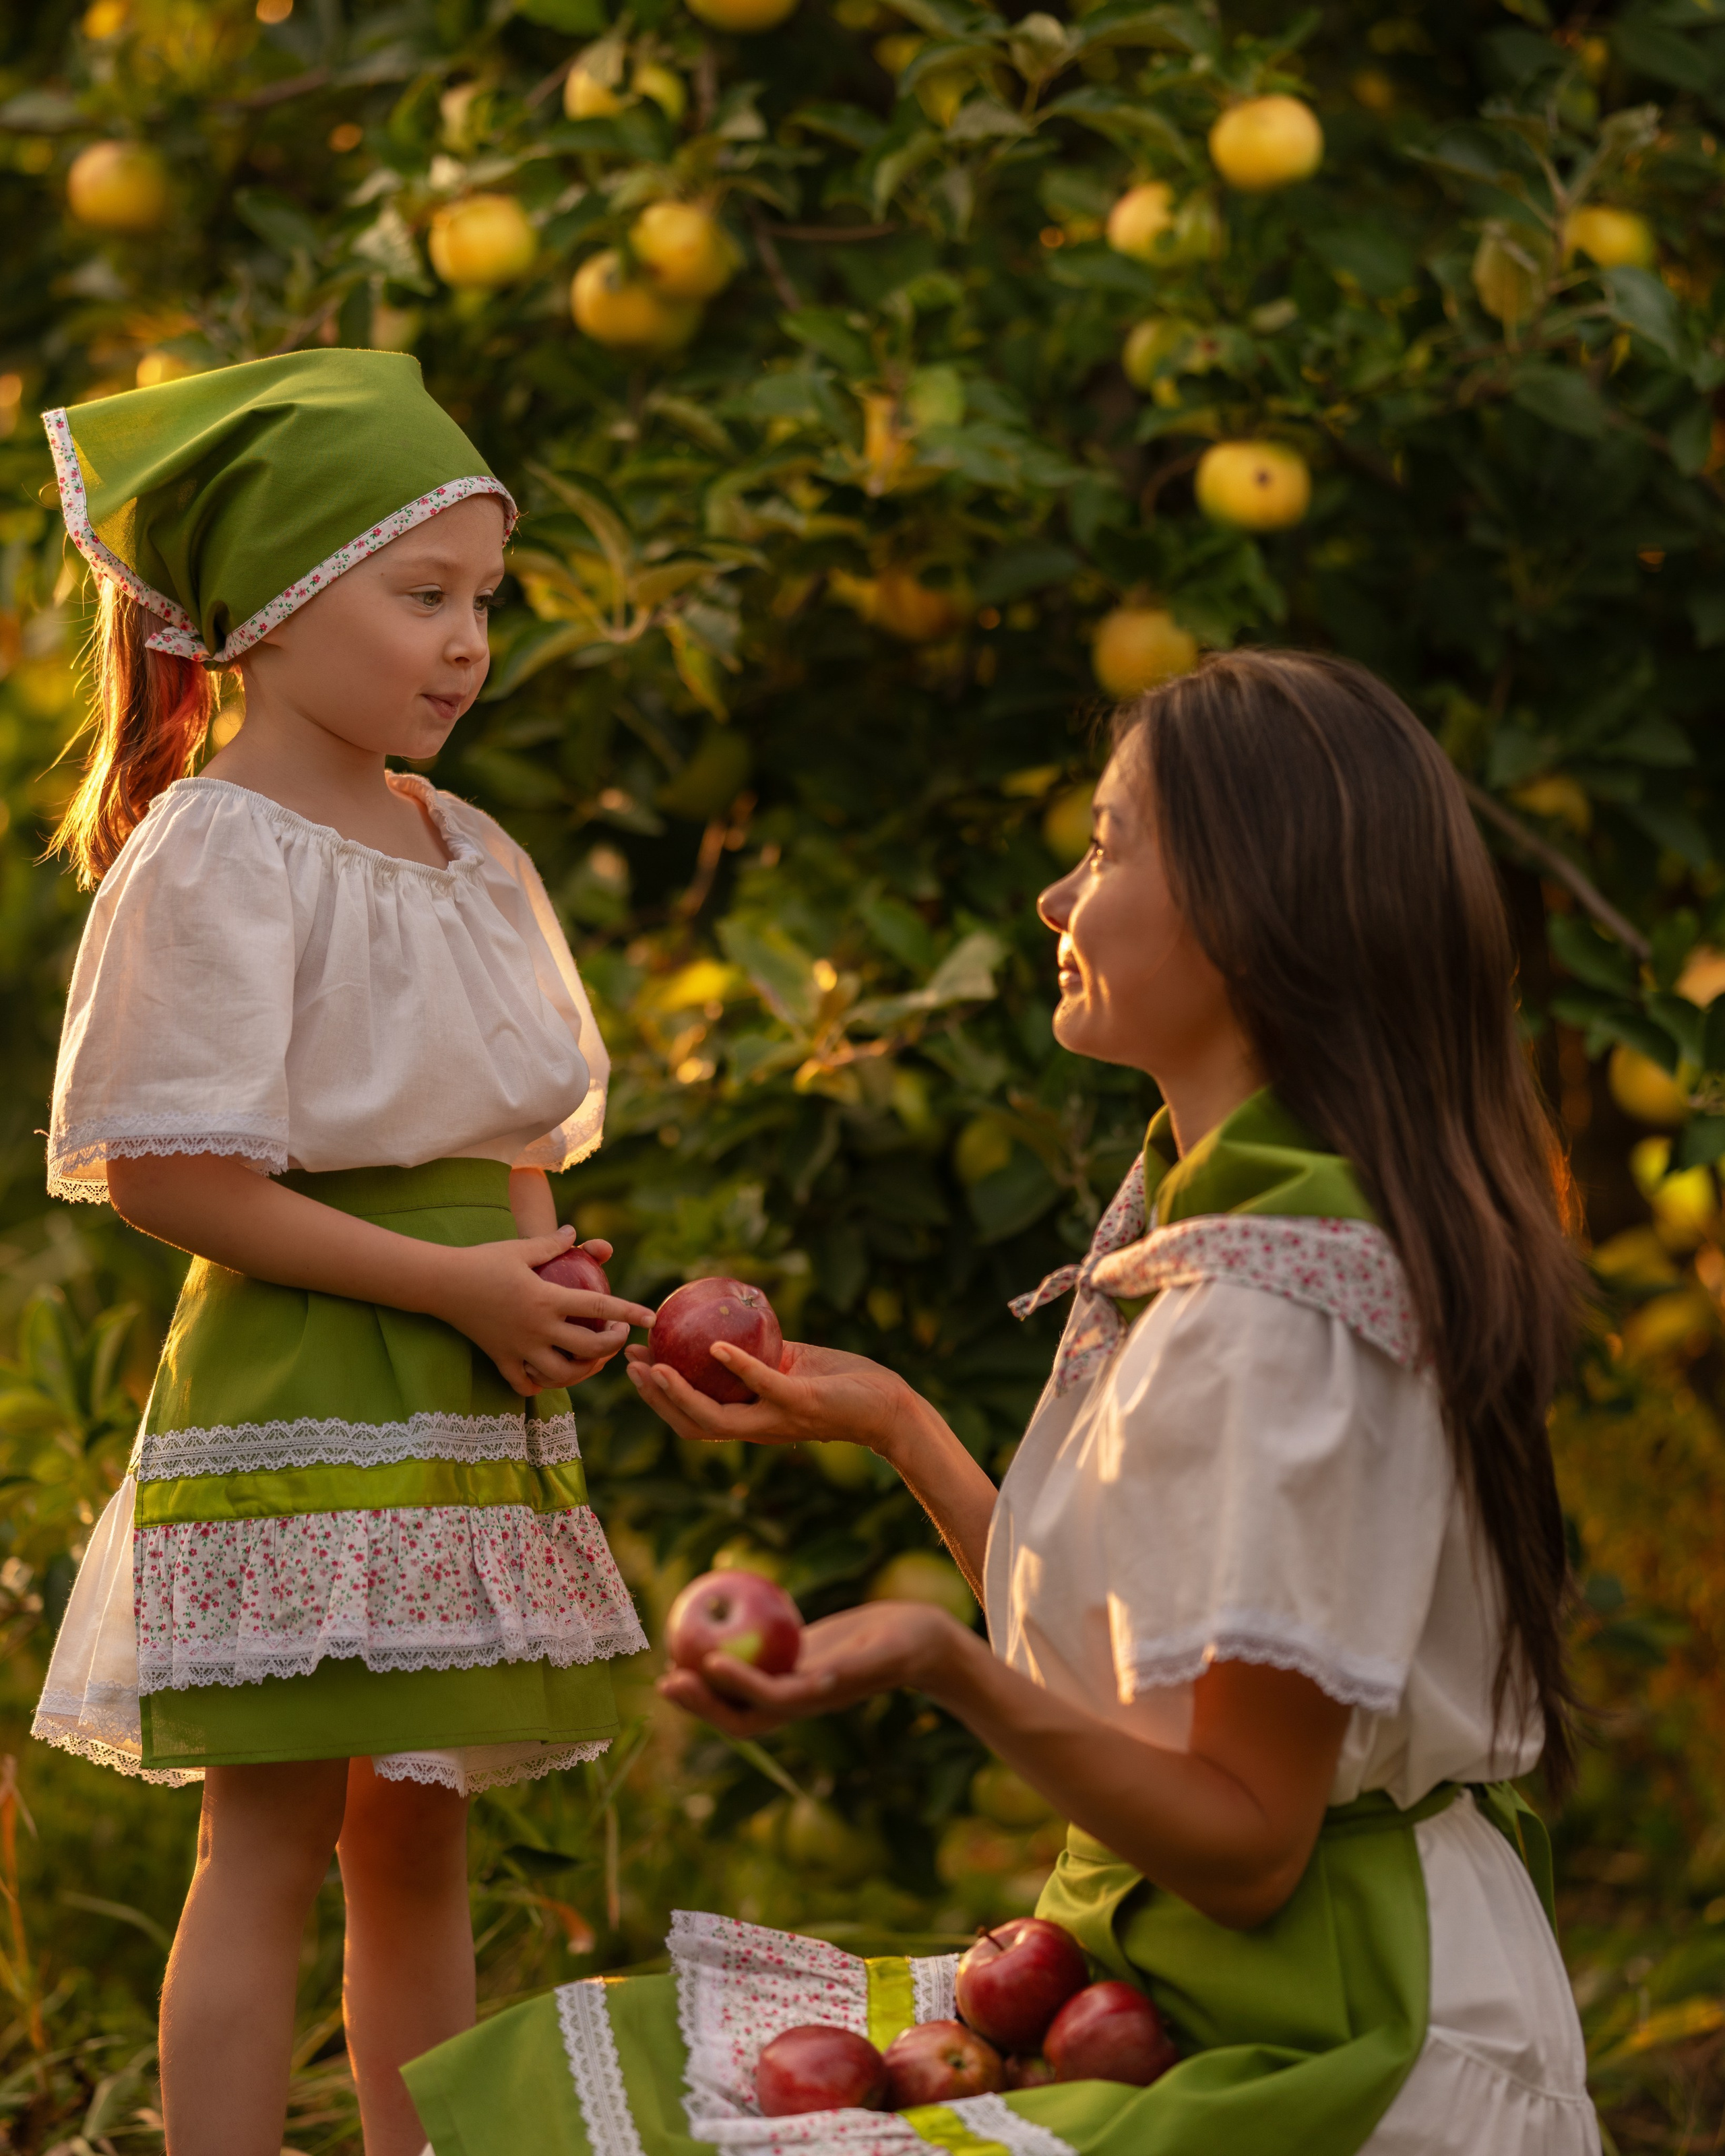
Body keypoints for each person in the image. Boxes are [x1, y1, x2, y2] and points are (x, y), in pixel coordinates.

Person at [403, 650, 1600, 2156]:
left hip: (1338, 2024)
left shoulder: (1290, 1305)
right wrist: (902, 1426)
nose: (1054, 899)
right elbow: (1148, 1678)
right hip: (1190, 1980)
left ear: (1248, 905)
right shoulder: (1219, 1228)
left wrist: (933, 1661)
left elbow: (1245, 1845)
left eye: (1102, 848)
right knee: (604, 2086)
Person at [30, 350, 656, 2156]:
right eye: (422, 596)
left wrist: (541, 1284)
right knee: (272, 1831)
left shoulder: (469, 851)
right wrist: (460, 1281)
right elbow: (167, 1173)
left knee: (422, 1830)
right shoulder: (220, 850)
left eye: (486, 603)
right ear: (279, 613)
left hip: (466, 1393)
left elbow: (512, 1140)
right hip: (305, 1380)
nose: (467, 644)